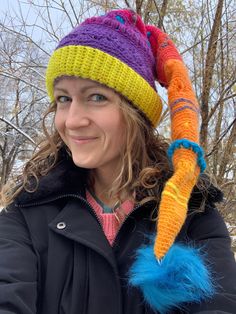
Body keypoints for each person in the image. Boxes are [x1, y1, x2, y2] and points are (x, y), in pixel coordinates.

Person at [0, 8, 235, 314]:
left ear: (136, 112)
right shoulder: (27, 212)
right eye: (63, 99)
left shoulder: (194, 216)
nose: (72, 121)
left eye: (96, 97)